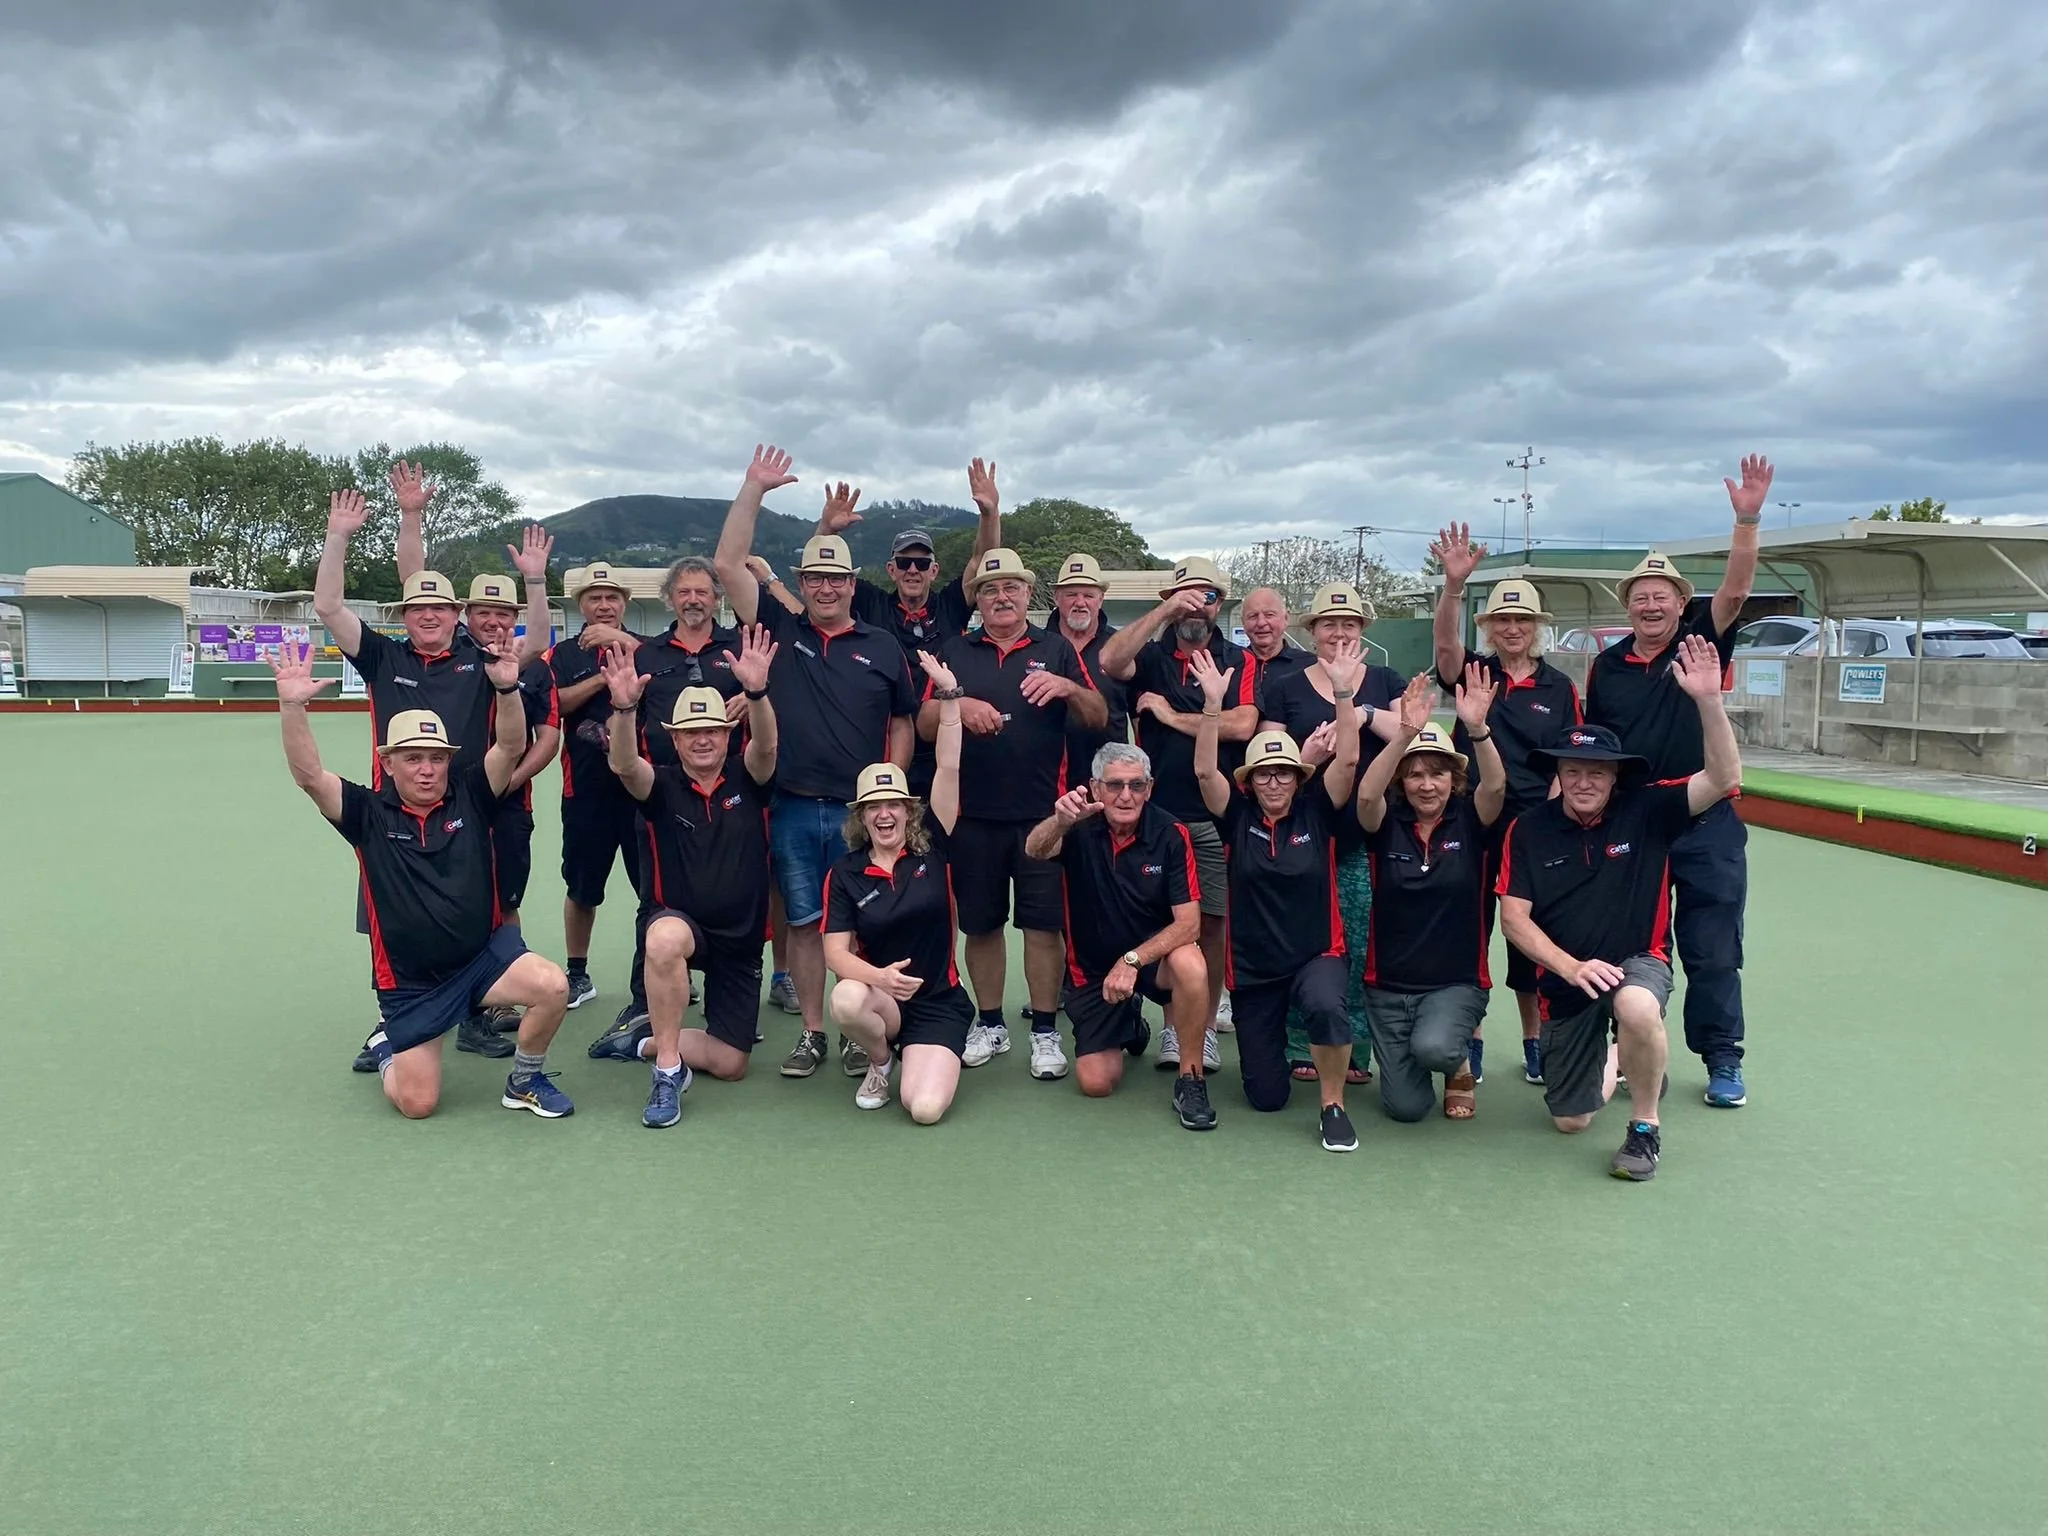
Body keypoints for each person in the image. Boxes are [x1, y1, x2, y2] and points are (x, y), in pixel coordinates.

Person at [267, 639, 573, 1121]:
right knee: (418, 1104)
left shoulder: (472, 793)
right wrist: (292, 705)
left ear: (449, 761)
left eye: (436, 757)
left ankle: (525, 1079)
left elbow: (512, 745)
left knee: (554, 985)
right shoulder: (364, 813)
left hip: (482, 962)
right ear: (388, 763)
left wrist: (508, 688)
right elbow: (309, 776)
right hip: (412, 985)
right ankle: (392, 1043)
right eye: (412, 758)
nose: (427, 769)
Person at [313, 485, 553, 1070]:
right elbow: (328, 607)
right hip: (396, 809)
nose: (429, 615)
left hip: (474, 806)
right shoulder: (382, 657)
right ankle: (390, 1017)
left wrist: (539, 581)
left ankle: (476, 1012)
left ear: (456, 615)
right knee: (389, 910)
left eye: (441, 607)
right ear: (405, 614)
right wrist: (338, 537)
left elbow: (540, 644)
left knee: (481, 906)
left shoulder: (482, 657)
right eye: (418, 607)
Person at [1499, 635, 1744, 1181]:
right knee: (1571, 1120)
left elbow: (1725, 779)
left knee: (1635, 1006)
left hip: (1638, 958)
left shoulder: (1649, 808)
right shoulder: (1530, 829)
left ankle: (1644, 1128)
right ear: (1558, 774)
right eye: (1573, 770)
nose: (1584, 781)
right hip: (1568, 976)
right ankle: (1620, 1058)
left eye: (1597, 772)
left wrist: (1708, 699)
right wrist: (1570, 967)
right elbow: (1513, 918)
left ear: (1615, 776)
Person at [713, 444, 920, 1082]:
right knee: (804, 925)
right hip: (796, 804)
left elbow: (903, 722)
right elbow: (726, 562)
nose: (826, 587)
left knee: (867, 925)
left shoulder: (882, 645)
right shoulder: (782, 628)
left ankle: (863, 1027)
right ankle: (811, 1031)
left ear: (853, 585)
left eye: (837, 578)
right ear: (801, 585)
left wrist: (895, 793)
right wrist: (754, 488)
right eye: (815, 578)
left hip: (864, 815)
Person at [1584, 455, 1772, 1108]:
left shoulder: (1701, 643)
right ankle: (1644, 1054)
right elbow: (1594, 749)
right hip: (1635, 824)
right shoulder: (1605, 668)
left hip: (1706, 816)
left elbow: (1739, 589)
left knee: (1712, 948)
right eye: (1640, 596)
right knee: (1633, 949)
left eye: (1662, 594)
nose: (1651, 602)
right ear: (1628, 609)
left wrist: (1746, 518)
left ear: (1681, 604)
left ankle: (1722, 1058)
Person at [918, 548, 1106, 1079]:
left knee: (1044, 927)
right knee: (981, 926)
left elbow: (1098, 716)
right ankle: (992, 1023)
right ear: (976, 598)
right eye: (990, 589)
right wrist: (959, 703)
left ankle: (1046, 1030)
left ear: (1028, 595)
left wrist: (1069, 687)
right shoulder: (955, 648)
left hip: (1043, 818)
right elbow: (926, 721)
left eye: (1012, 588)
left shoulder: (1057, 649)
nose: (1001, 597)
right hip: (972, 817)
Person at [594, 630, 780, 1126]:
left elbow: (767, 744)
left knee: (732, 1063)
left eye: (713, 731)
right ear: (674, 738)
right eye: (691, 732)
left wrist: (757, 694)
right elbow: (624, 764)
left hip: (740, 940)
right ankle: (668, 1071)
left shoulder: (750, 777)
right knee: (663, 939)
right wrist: (625, 708)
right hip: (683, 926)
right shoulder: (660, 784)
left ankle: (646, 1039)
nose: (703, 739)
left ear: (727, 735)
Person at [1188, 644, 1364, 1151]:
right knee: (1266, 1096)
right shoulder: (1237, 817)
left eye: (1283, 772)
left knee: (1328, 1006)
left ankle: (1333, 1106)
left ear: (1298, 777)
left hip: (1316, 954)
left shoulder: (1317, 812)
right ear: (1249, 780)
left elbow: (1348, 758)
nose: (1273, 781)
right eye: (1263, 773)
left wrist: (1344, 692)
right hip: (1255, 968)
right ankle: (1280, 1063)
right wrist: (1212, 704)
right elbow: (1204, 773)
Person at [1429, 531, 1581, 1088]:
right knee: (1468, 934)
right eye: (1501, 622)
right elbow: (1444, 649)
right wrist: (1454, 585)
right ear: (1489, 628)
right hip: (1469, 822)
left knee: (1529, 939)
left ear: (1536, 627)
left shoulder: (1559, 687)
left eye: (1521, 622)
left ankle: (1533, 1042)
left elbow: (1569, 758)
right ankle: (1469, 1040)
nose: (1512, 630)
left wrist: (1555, 819)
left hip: (1532, 831)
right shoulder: (1474, 673)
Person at [1098, 557, 1259, 1074]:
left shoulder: (1237, 658)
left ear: (1220, 604)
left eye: (1207, 596)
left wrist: (1169, 715)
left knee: (1210, 923)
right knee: (1150, 921)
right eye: (1185, 594)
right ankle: (1153, 1021)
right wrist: (1162, 612)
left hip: (1213, 816)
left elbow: (1241, 725)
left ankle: (1201, 1028)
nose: (1196, 604)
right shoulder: (1151, 654)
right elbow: (1109, 660)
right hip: (1149, 817)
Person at [581, 555, 743, 1057]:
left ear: (717, 597)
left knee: (742, 891)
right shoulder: (646, 655)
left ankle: (735, 997)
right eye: (684, 592)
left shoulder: (739, 651)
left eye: (703, 591)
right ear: (669, 599)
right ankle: (643, 1001)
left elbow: (774, 709)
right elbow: (608, 718)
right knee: (655, 899)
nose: (693, 599)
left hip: (733, 794)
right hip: (661, 797)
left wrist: (757, 697)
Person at [1257, 581, 1406, 1086]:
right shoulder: (1286, 686)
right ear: (1313, 631)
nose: (1338, 633)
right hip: (1304, 838)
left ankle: (1355, 1048)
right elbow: (1267, 754)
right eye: (1327, 624)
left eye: (1347, 624)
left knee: (1362, 945)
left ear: (1362, 629)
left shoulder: (1384, 679)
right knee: (1306, 942)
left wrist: (1360, 712)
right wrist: (1306, 757)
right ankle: (1302, 1042)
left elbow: (1413, 735)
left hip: (1369, 836)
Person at [1024, 744, 1215, 1131]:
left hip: (1149, 962)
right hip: (1094, 971)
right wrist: (1059, 822)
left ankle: (1190, 1078)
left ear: (1149, 788)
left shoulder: (1171, 833)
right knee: (1096, 1082)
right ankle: (1131, 1024)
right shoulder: (1076, 826)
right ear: (1095, 788)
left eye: (1136, 785)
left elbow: (1189, 925)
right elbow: (1035, 850)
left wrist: (1131, 960)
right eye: (1114, 785)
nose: (1125, 796)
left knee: (1191, 963)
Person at [824, 654, 974, 1121]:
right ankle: (880, 1060)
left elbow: (947, 768)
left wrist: (949, 698)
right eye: (874, 807)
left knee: (924, 1109)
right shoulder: (846, 873)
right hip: (885, 1000)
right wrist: (880, 979)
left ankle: (928, 1057)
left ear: (909, 811)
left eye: (894, 804)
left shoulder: (935, 851)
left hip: (938, 1004)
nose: (884, 814)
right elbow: (835, 955)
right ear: (861, 817)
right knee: (846, 997)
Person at [1356, 669, 1508, 1124]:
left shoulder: (1471, 821)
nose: (1427, 785)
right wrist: (1404, 735)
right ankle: (1425, 1066)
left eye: (1438, 774)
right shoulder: (1388, 825)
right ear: (1402, 781)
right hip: (1388, 987)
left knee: (1436, 1047)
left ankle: (1456, 1060)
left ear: (1454, 779)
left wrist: (1478, 729)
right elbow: (1366, 796)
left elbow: (1497, 786)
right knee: (1406, 1108)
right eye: (1416, 775)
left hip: (1454, 983)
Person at [812, 460, 1003, 794]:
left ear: (934, 570)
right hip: (884, 742)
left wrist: (990, 513)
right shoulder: (871, 604)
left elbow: (982, 560)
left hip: (945, 742)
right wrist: (825, 531)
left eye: (922, 563)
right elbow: (825, 577)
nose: (912, 570)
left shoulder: (949, 606)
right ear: (891, 569)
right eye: (904, 562)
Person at [543, 562, 649, 1024]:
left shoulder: (647, 649)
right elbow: (555, 704)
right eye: (594, 598)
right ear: (581, 604)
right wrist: (603, 679)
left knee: (657, 888)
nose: (603, 605)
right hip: (585, 790)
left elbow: (666, 681)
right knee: (583, 887)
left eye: (612, 598)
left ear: (624, 603)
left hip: (645, 788)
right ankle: (578, 973)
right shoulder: (563, 654)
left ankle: (659, 976)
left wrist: (624, 648)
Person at [1049, 553, 1131, 791]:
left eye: (1088, 595)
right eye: (1071, 594)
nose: (1080, 602)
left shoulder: (1121, 647)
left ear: (1101, 599)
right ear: (1057, 597)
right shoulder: (1037, 644)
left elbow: (1138, 717)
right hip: (1049, 781)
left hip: (1110, 783)